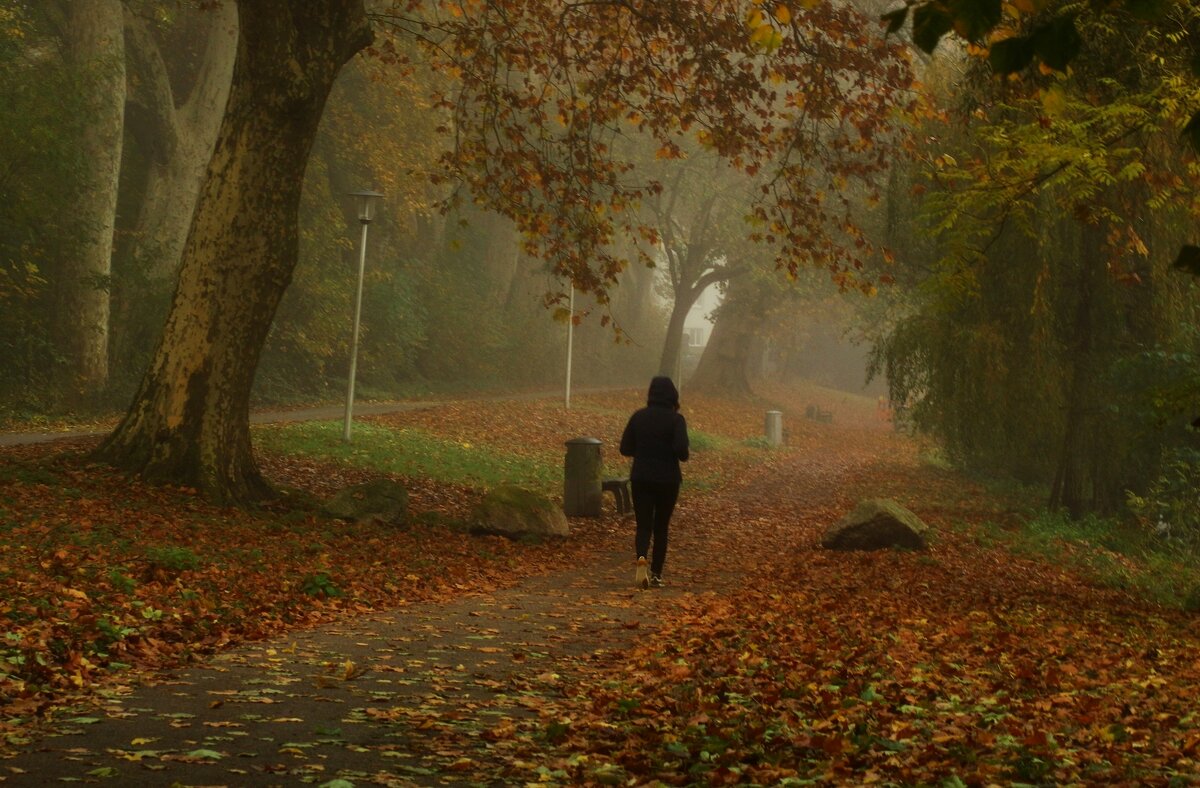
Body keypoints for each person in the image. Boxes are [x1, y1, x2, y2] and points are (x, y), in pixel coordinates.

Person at [619, 376, 689, 589]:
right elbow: (682, 453)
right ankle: (657, 573)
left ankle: (641, 557)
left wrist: (643, 450)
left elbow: (625, 448)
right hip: (668, 480)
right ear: (672, 395)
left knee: (643, 525)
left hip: (641, 478)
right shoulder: (677, 420)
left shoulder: (638, 417)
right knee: (661, 527)